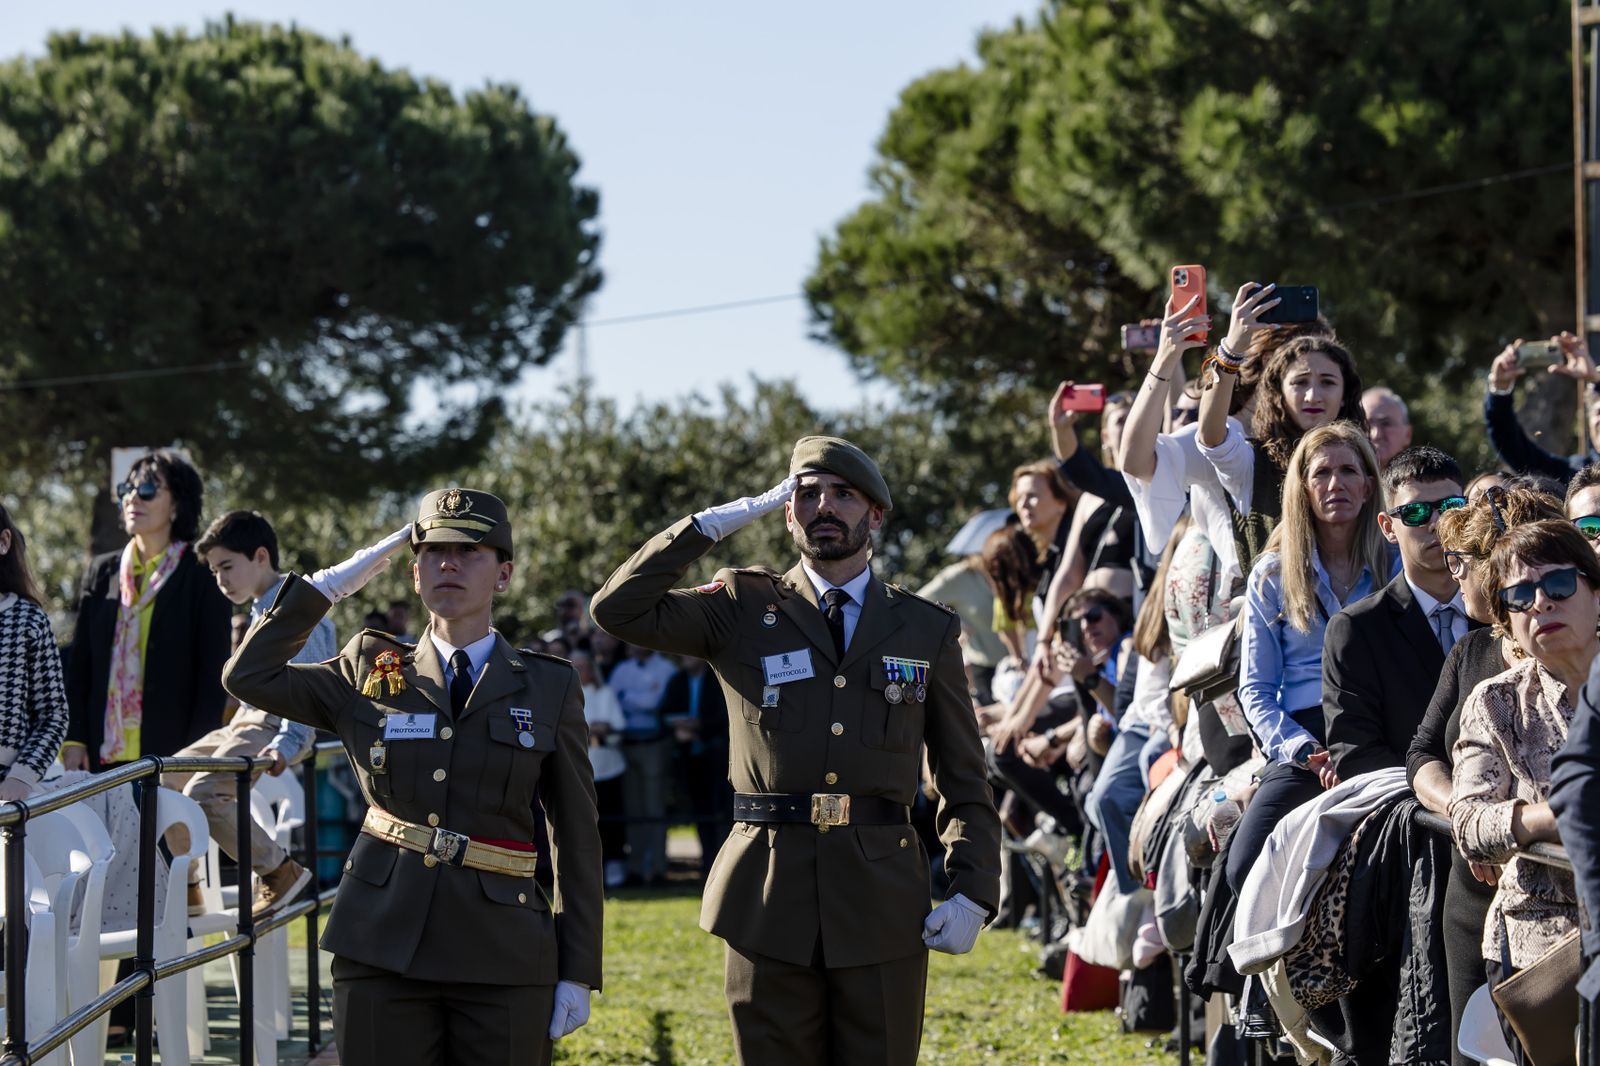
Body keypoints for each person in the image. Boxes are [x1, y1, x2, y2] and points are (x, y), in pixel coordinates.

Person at [590, 436, 1000, 1066]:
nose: (823, 507)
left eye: (843, 495)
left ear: (876, 515)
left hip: (880, 896)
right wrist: (708, 526)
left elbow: (962, 773)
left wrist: (974, 886)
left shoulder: (925, 627)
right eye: (806, 495)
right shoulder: (741, 606)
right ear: (785, 513)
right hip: (766, 893)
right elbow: (618, 609)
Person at [223, 488, 603, 1066]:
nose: (448, 562)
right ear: (412, 572)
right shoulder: (367, 668)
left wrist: (578, 968)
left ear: (504, 575)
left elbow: (576, 836)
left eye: (469, 551)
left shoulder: (548, 686)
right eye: (432, 551)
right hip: (381, 943)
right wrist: (328, 587)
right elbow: (248, 675)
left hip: (502, 950)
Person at [1408, 485, 1562, 1066]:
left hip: (1558, 908)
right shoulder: (1470, 655)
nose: (1455, 576)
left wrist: (1506, 827)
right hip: (1473, 897)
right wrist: (1468, 814)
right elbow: (1421, 754)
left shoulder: (1572, 663)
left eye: (1462, 563)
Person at [1450, 519, 1593, 1064]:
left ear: (1595, 590)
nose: (1540, 604)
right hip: (1544, 953)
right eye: (1518, 597)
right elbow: (1468, 821)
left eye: (1557, 586)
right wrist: (1550, 817)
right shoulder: (1498, 703)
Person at [1227, 421, 1390, 893]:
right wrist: (1305, 753)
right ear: (1303, 488)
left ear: (1368, 485)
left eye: (1348, 471)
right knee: (1247, 867)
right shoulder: (1272, 576)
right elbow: (1255, 691)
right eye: (1321, 473)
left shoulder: (1395, 565)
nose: (1335, 483)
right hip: (1305, 736)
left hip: (1381, 730)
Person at [164, 510, 330, 917]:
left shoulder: (297, 606)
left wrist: (287, 746)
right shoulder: (261, 606)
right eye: (214, 570)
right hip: (246, 718)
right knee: (165, 777)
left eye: (227, 567)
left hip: (273, 723)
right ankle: (188, 889)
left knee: (205, 793)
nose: (220, 579)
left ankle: (278, 871)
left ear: (260, 556)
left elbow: (306, 689)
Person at [64, 450, 232, 771]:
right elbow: (79, 666)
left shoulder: (201, 573)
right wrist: (75, 740)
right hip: (100, 755)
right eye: (126, 490)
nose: (132, 499)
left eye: (147, 491)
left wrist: (196, 757)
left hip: (173, 756)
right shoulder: (101, 572)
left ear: (178, 505)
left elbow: (212, 676)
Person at [1322, 446, 1468, 779]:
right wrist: (1444, 793)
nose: (1437, 524)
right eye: (1416, 512)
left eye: (1451, 507)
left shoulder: (1503, 609)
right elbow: (1356, 753)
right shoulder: (1356, 630)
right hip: (1414, 813)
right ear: (1388, 527)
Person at [1197, 283, 1363, 574]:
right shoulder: (1250, 464)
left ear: (1345, 392)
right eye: (1300, 382)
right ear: (1279, 392)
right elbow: (1211, 435)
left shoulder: (1363, 459)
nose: (1313, 395)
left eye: (1327, 382)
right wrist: (1232, 348)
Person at [0, 504, 70, 800]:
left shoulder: (27, 620)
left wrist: (22, 777)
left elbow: (53, 714)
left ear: (4, 542)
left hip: (8, 791)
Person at [1484, 331, 1600, 487]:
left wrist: (1596, 380)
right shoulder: (1576, 474)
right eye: (1598, 412)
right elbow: (1515, 449)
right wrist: (1500, 391)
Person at [608, 643, 679, 887]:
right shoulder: (622, 669)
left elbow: (654, 704)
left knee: (654, 808)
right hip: (627, 745)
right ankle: (636, 869)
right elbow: (614, 702)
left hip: (654, 744)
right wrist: (642, 697)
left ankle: (658, 869)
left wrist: (628, 696)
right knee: (634, 809)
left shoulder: (666, 668)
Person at [661, 656, 733, 879]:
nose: (684, 657)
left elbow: (726, 715)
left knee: (723, 810)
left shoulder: (718, 678)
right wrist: (680, 725)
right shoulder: (677, 680)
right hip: (689, 756)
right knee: (701, 810)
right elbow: (664, 711)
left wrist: (699, 727)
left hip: (719, 755)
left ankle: (726, 864)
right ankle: (707, 862)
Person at [573, 649, 628, 889]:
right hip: (577, 767)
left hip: (607, 767)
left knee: (611, 818)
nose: (578, 672)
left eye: (582, 666)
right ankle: (584, 870)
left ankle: (615, 867)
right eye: (573, 666)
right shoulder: (565, 694)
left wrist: (599, 730)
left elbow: (618, 727)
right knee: (583, 821)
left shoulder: (604, 693)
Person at [1361, 386, 1414, 469]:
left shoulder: (1427, 480)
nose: (1376, 434)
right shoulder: (1336, 479)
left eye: (1386, 424)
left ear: (1408, 434)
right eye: (1366, 424)